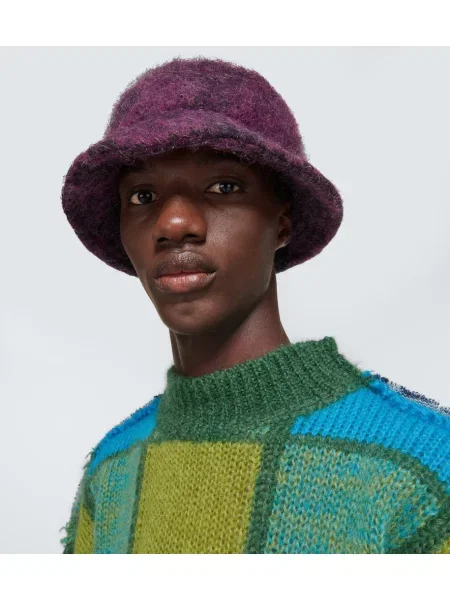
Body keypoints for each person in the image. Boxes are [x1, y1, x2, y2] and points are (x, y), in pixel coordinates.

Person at [60, 55, 450, 554]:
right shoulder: (112, 469)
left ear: (282, 223)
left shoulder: (422, 467)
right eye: (141, 196)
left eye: (224, 187)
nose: (173, 223)